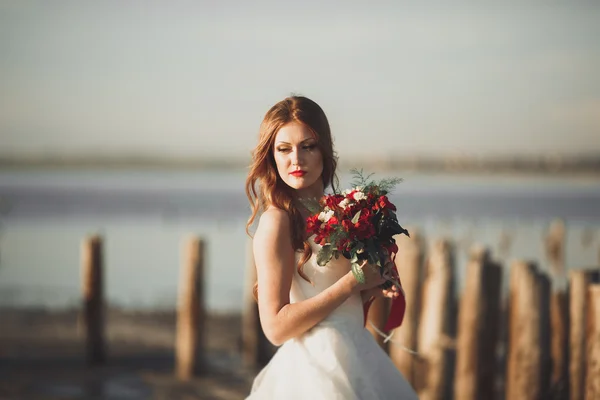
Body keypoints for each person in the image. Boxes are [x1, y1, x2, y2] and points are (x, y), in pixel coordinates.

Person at [245, 95, 418, 399]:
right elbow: (274, 328)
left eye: (307, 146)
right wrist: (352, 283)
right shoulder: (277, 222)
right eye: (283, 149)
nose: (295, 159)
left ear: (324, 150)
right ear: (271, 157)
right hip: (313, 372)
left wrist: (371, 288)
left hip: (359, 356)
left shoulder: (343, 213)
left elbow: (342, 302)